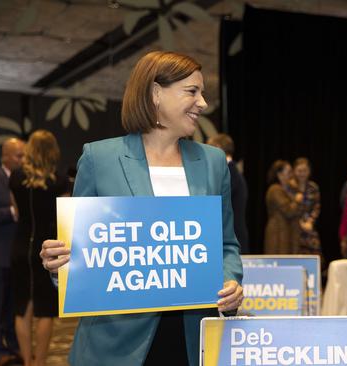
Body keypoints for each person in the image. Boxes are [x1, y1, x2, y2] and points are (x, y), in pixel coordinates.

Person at [38, 51, 243, 366]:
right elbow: (80, 252)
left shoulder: (214, 162)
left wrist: (231, 281)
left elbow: (226, 244)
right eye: (192, 91)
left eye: (202, 93)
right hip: (116, 342)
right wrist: (59, 265)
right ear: (156, 93)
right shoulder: (98, 159)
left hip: (191, 338)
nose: (203, 103)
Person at [9, 130, 68, 366]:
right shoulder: (59, 179)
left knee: (22, 308)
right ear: (53, 150)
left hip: (20, 247)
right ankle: (40, 362)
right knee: (45, 310)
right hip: (48, 251)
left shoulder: (15, 177)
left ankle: (26, 361)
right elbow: (65, 216)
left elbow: (15, 211)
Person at [0, 138, 25, 366]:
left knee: (13, 309)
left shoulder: (25, 181)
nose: (23, 160)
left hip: (17, 258)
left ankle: (13, 347)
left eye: (25, 156)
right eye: (19, 156)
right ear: (6, 156)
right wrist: (10, 212)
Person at [207, 133, 250, 254]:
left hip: (231, 242)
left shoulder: (228, 172)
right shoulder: (231, 170)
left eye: (209, 148)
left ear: (217, 147)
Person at [263, 160, 303, 254]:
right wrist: (297, 200)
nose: (292, 175)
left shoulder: (287, 190)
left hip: (286, 233)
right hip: (279, 234)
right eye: (288, 172)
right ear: (279, 175)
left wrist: (295, 188)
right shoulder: (275, 190)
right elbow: (289, 211)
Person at [291, 157, 321, 256]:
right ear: (294, 171)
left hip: (309, 227)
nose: (302, 173)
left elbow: (317, 207)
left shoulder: (313, 187)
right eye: (299, 171)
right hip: (293, 227)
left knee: (314, 255)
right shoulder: (290, 187)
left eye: (304, 171)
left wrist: (310, 222)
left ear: (309, 171)